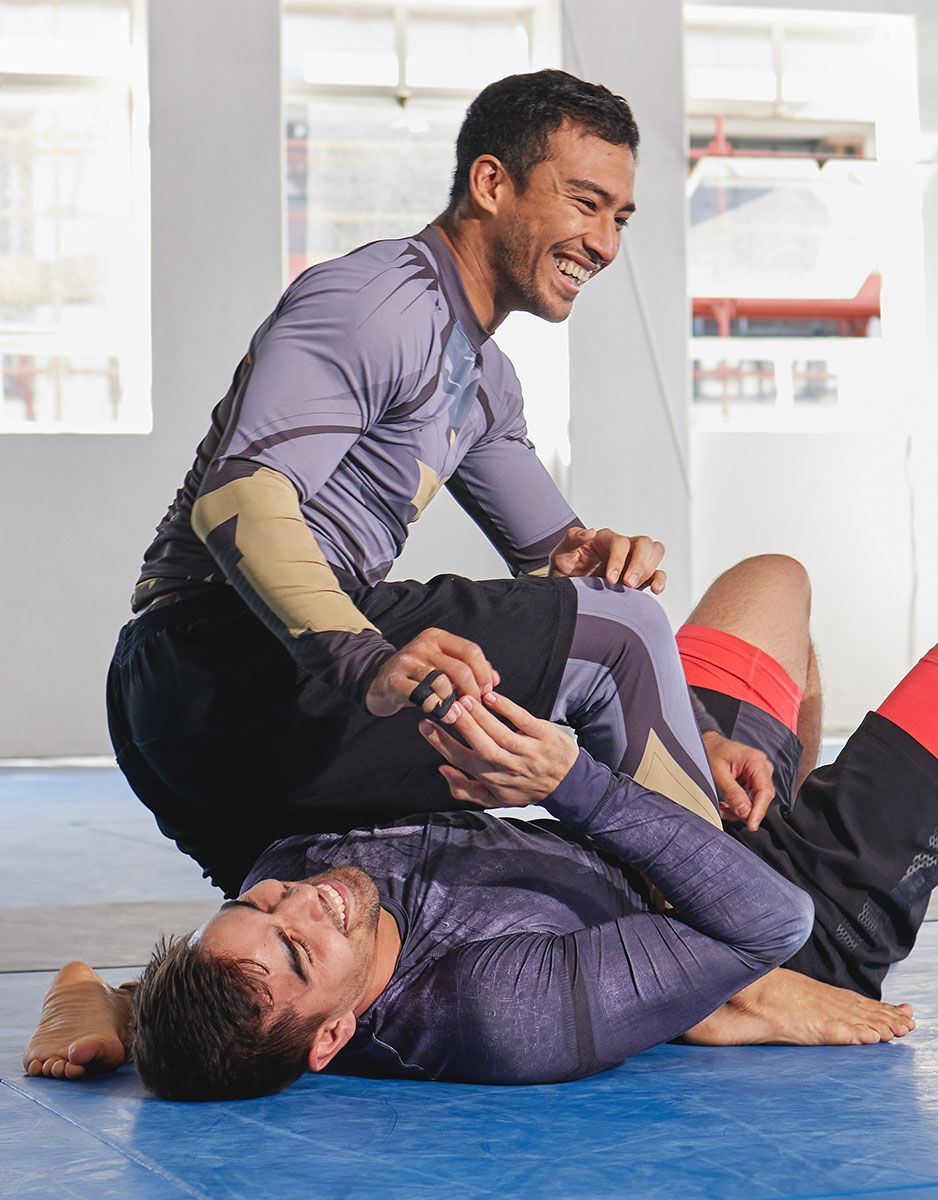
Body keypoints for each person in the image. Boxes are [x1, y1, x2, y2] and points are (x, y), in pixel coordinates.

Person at [27, 557, 938, 1096]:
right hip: (781, 929)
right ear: (334, 1038)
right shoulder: (493, 1010)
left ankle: (778, 792)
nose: (304, 895)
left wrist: (102, 1000)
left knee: (775, 585)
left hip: (674, 832)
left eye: (261, 903)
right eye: (296, 943)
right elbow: (766, 919)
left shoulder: (290, 905)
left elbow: (229, 990)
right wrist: (579, 782)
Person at [105, 68, 783, 905]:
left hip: (208, 717)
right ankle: (728, 921)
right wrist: (365, 660)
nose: (605, 243)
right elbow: (238, 500)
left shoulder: (485, 381)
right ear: (491, 183)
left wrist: (696, 733)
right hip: (218, 662)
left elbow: (563, 568)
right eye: (584, 203)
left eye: (620, 217)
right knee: (624, 625)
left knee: (322, 935)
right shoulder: (379, 301)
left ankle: (121, 994)